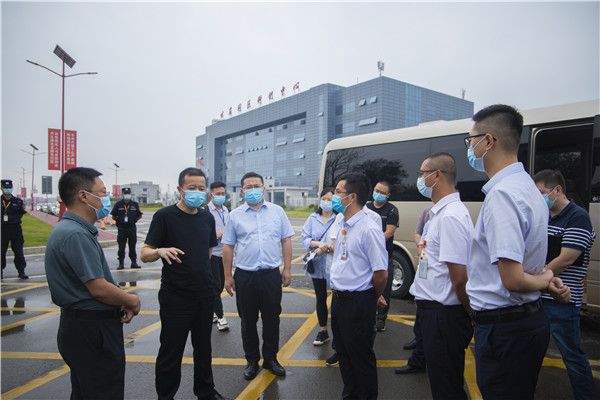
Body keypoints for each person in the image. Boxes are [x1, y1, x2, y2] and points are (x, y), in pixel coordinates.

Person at [464, 105, 571, 399]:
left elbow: (512, 279)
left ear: (488, 141)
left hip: (505, 329)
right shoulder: (528, 189)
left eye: (471, 141)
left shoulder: (503, 195)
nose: (470, 148)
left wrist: (546, 276)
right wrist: (545, 280)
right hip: (522, 322)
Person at [44, 167, 141, 399]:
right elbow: (98, 288)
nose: (106, 199)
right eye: (103, 193)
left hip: (83, 327)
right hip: (92, 331)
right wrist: (131, 300)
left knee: (87, 392)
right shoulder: (75, 234)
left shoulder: (73, 230)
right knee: (103, 392)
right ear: (83, 196)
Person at [141, 167, 228, 400]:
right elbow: (145, 253)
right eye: (192, 188)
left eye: (201, 188)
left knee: (203, 348)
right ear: (180, 190)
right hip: (176, 296)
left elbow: (207, 251)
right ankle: (166, 395)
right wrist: (159, 251)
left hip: (204, 294)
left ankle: (206, 391)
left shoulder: (206, 217)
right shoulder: (164, 216)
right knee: (171, 350)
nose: (197, 192)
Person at [400, 153, 474, 399]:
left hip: (444, 316)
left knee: (447, 388)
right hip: (434, 313)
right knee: (444, 383)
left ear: (437, 176)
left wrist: (471, 313)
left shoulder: (451, 216)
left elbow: (460, 278)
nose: (419, 179)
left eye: (422, 174)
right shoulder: (439, 213)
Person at [317, 172, 388, 399]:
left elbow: (381, 272)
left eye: (338, 192)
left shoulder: (369, 228)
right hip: (339, 300)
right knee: (344, 354)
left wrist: (372, 296)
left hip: (359, 302)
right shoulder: (342, 222)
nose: (334, 197)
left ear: (352, 197)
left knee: (360, 358)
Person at [222, 172, 294, 380]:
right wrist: (228, 276)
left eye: (257, 186)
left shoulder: (277, 211)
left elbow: (286, 240)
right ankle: (252, 360)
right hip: (245, 276)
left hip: (271, 275)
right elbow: (228, 247)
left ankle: (271, 358)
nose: (253, 190)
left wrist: (287, 269)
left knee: (272, 319)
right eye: (249, 187)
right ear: (242, 191)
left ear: (263, 188)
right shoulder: (235, 215)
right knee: (248, 321)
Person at [534, 169, 596, 400]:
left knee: (572, 355)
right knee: (531, 353)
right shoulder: (544, 216)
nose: (539, 198)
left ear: (557, 190)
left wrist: (536, 278)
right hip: (538, 296)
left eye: (541, 192)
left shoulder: (578, 217)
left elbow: (566, 259)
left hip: (562, 299)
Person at [301, 187, 337, 346]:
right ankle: (323, 331)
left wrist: (327, 248)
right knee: (320, 299)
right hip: (317, 265)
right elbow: (305, 239)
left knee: (337, 300)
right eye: (324, 199)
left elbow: (342, 241)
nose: (326, 202)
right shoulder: (312, 218)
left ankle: (339, 333)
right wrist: (318, 244)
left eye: (330, 199)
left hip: (334, 266)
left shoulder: (339, 218)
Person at [366, 181, 399, 332]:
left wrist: (373, 242)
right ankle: (369, 314)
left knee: (384, 287)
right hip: (367, 256)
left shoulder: (392, 210)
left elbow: (389, 232)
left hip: (385, 255)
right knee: (368, 286)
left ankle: (381, 318)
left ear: (388, 195)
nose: (378, 194)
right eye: (376, 190)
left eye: (382, 192)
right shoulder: (366, 207)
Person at [402, 204, 432, 353]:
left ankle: (425, 344)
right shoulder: (427, 212)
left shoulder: (449, 215)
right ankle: (418, 339)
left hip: (435, 271)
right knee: (420, 302)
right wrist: (421, 248)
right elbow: (418, 233)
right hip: (424, 262)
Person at [206, 181, 230, 332]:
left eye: (223, 193)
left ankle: (212, 311)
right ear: (211, 195)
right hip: (212, 254)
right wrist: (216, 234)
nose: (221, 196)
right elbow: (202, 232)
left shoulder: (226, 210)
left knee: (220, 286)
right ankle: (221, 317)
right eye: (218, 194)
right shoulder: (205, 211)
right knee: (215, 286)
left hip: (225, 254)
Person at [110, 187, 143, 270]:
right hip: (122, 228)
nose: (127, 195)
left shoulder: (134, 204)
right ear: (122, 194)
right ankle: (121, 263)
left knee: (132, 246)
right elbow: (113, 216)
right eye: (125, 193)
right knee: (121, 247)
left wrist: (133, 220)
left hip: (132, 228)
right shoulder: (118, 204)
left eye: (128, 193)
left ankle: (134, 262)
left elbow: (139, 215)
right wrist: (119, 221)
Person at [1, 179, 28, 279]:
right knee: (1, 250)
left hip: (15, 228)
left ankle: (21, 271)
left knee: (18, 250)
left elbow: (21, 214)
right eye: (5, 187)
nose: (7, 189)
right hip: (2, 229)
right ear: (1, 188)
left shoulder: (17, 201)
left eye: (9, 187)